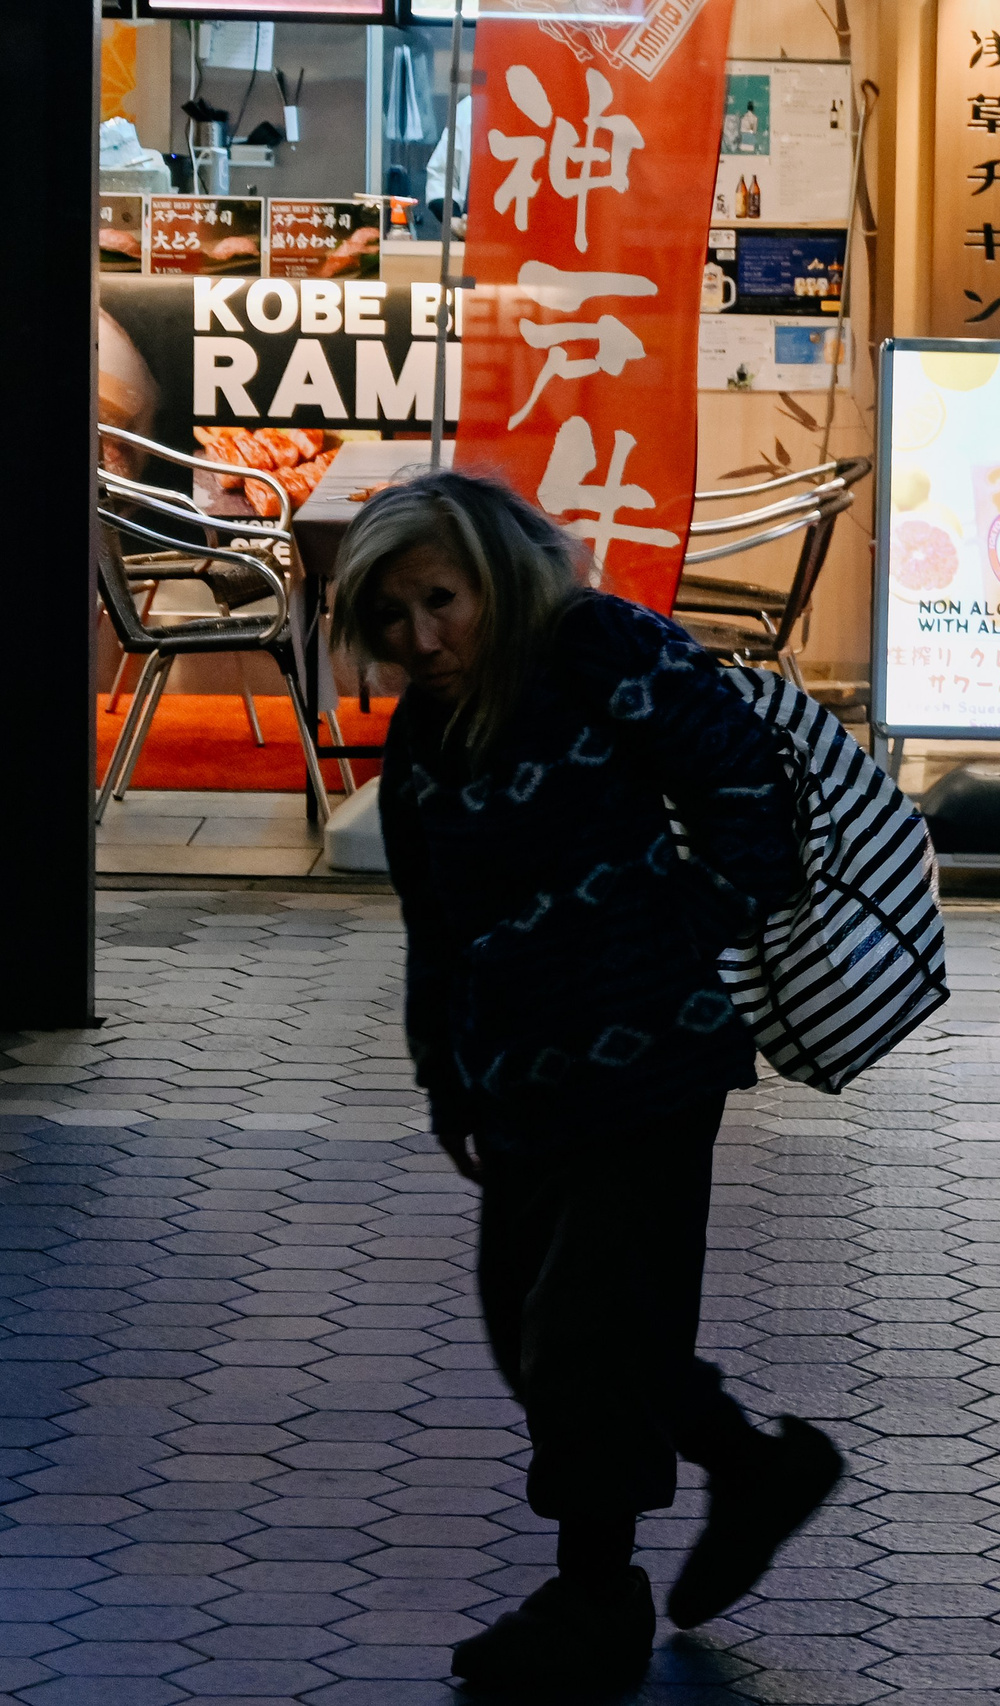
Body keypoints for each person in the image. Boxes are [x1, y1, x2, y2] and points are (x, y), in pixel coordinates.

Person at [333, 472, 843, 1695]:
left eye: (440, 601)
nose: (421, 638)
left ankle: (595, 1590)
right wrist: (444, 1076)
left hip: (650, 1054)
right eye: (394, 618)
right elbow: (433, 921)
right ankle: (755, 1464)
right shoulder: (427, 728)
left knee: (580, 1328)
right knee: (538, 1320)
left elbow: (750, 804)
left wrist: (674, 933)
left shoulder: (596, 645)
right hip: (517, 1073)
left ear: (494, 577)